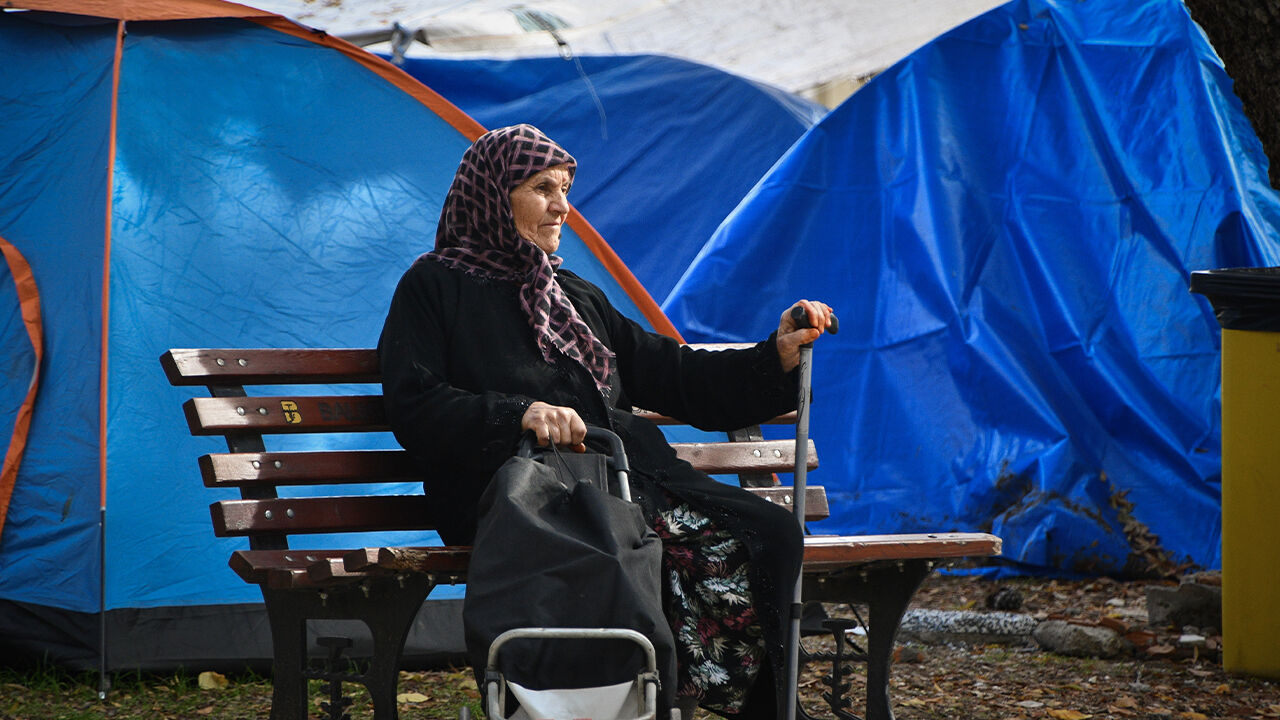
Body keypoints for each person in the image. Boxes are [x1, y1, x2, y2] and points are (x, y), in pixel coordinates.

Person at [378, 124, 834, 719]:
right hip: (518, 494)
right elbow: (415, 403)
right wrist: (520, 414)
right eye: (542, 188)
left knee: (769, 532)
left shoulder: (571, 293)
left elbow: (672, 373)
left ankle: (754, 708)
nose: (561, 206)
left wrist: (774, 355)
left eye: (564, 190)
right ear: (492, 195)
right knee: (629, 550)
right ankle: (620, 700)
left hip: (620, 478)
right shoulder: (434, 286)